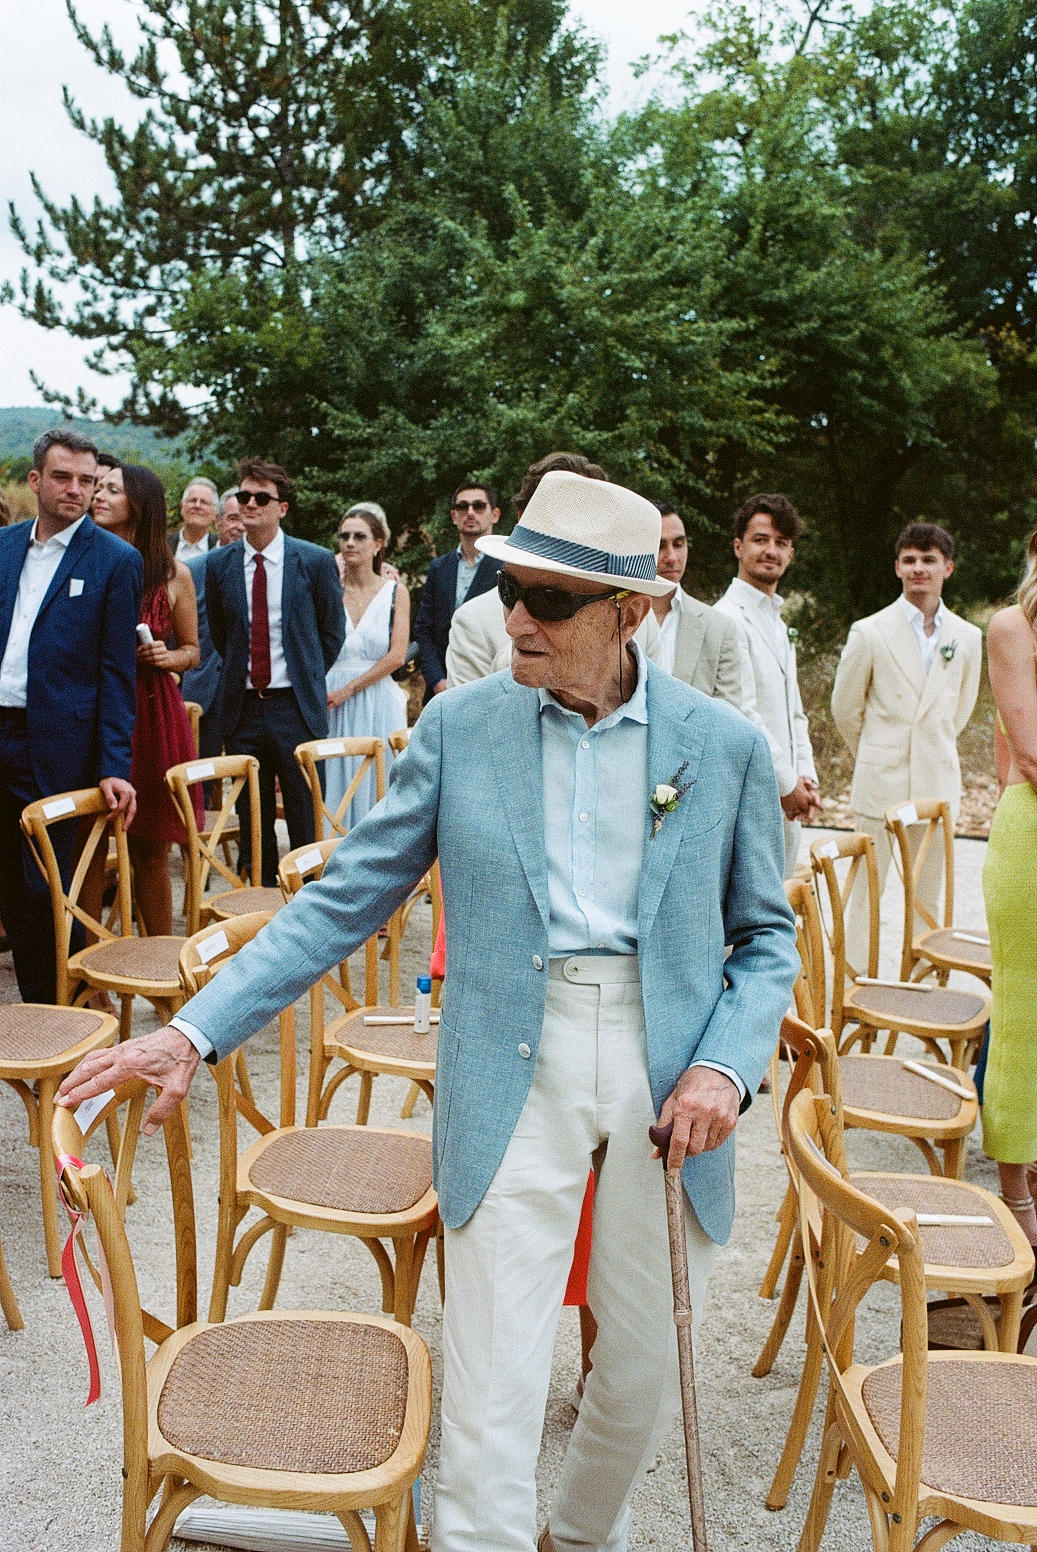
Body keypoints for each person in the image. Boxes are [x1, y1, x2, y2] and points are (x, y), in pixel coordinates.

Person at [60, 470, 798, 1552]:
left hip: (667, 1071)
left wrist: (724, 1067)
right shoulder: (460, 728)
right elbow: (346, 899)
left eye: (548, 600)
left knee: (638, 1369)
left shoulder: (720, 745)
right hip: (510, 1056)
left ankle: (579, 1534)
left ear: (627, 612)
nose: (515, 618)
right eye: (510, 589)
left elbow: (766, 939)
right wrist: (191, 1029)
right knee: (491, 1378)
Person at [0, 429, 139, 1002]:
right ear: (35, 481)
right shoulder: (5, 546)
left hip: (53, 748)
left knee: (45, 893)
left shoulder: (114, 561)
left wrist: (113, 762)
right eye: (62, 477)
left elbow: (116, 673)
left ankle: (65, 1021)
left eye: (87, 480)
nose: (76, 490)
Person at [831, 522, 982, 969]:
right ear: (897, 567)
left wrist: (928, 749)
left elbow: (960, 709)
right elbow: (845, 710)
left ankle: (921, 979)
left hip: (935, 785)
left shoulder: (967, 637)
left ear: (947, 568)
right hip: (879, 783)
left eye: (929, 559)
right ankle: (854, 981)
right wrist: (877, 753)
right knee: (866, 893)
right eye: (910, 560)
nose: (919, 568)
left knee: (928, 894)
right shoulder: (870, 631)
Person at [205, 457, 345, 885]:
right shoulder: (220, 564)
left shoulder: (315, 561)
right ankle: (261, 910)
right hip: (244, 708)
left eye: (261, 497)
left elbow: (331, 632)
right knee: (253, 820)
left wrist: (304, 675)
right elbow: (222, 635)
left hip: (295, 707)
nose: (249, 504)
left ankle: (307, 908)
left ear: (281, 507)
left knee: (304, 816)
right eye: (243, 496)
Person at [89, 461, 202, 936]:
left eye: (111, 490)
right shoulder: (87, 561)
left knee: (151, 847)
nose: (98, 495)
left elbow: (193, 651)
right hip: (95, 705)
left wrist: (165, 656)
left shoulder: (174, 573)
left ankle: (160, 964)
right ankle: (87, 975)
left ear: (138, 504)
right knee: (90, 842)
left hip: (152, 712)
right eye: (98, 487)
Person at [445, 454, 661, 687]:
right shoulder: (473, 621)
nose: (513, 625)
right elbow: (468, 716)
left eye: (552, 601)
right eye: (507, 590)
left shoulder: (641, 620)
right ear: (522, 518)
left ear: (630, 617)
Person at [981, 523, 1037, 1249]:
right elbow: (1027, 748)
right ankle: (1015, 1196)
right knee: (1024, 1013)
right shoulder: (1010, 626)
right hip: (1031, 839)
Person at [715, 494, 820, 877]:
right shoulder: (725, 619)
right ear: (738, 546)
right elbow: (741, 712)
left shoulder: (778, 622)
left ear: (791, 553)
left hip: (788, 800)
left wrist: (806, 778)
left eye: (781, 542)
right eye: (761, 539)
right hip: (752, 800)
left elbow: (795, 710)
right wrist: (787, 782)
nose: (771, 550)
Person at [325, 504, 409, 827]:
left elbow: (396, 655)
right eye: (344, 536)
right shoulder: (330, 592)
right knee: (335, 785)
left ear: (378, 544)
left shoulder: (395, 592)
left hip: (377, 700)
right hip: (333, 703)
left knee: (381, 784)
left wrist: (347, 690)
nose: (349, 543)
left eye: (359, 536)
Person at [651, 502, 750, 705]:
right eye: (659, 546)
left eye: (678, 544)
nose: (671, 557)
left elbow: (728, 718)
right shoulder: (612, 617)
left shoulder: (720, 629)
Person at [413, 482, 503, 697]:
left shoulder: (506, 567)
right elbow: (424, 629)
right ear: (454, 516)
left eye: (479, 506)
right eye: (463, 507)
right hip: (440, 689)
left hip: (490, 684)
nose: (470, 512)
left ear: (495, 515)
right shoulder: (439, 567)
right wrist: (437, 681)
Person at [181, 489, 246, 761]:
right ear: (217, 521)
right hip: (201, 687)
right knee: (198, 780)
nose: (240, 526)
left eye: (245, 518)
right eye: (232, 518)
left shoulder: (265, 569)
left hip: (248, 691)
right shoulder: (194, 568)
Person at [174, 477, 219, 559]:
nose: (197, 506)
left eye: (204, 502)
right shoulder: (162, 545)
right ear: (182, 507)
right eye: (192, 500)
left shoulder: (220, 549)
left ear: (214, 513)